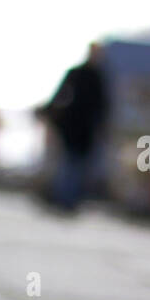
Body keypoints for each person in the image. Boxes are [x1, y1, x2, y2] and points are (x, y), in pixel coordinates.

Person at [36, 44, 109, 210]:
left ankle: (68, 200)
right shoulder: (78, 73)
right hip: (71, 128)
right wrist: (49, 111)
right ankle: (63, 199)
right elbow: (60, 94)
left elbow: (103, 107)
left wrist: (102, 127)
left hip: (85, 131)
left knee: (76, 166)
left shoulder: (99, 78)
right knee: (69, 164)